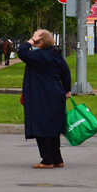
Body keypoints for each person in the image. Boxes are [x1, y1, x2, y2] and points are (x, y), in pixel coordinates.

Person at [18, 29, 71, 169]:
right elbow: (66, 72)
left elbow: (21, 52)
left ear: (40, 42)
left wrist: (30, 41)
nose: (34, 43)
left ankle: (47, 160)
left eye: (36, 40)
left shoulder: (38, 56)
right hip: (56, 94)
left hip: (41, 95)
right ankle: (57, 159)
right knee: (54, 128)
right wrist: (67, 89)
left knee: (41, 127)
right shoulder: (56, 55)